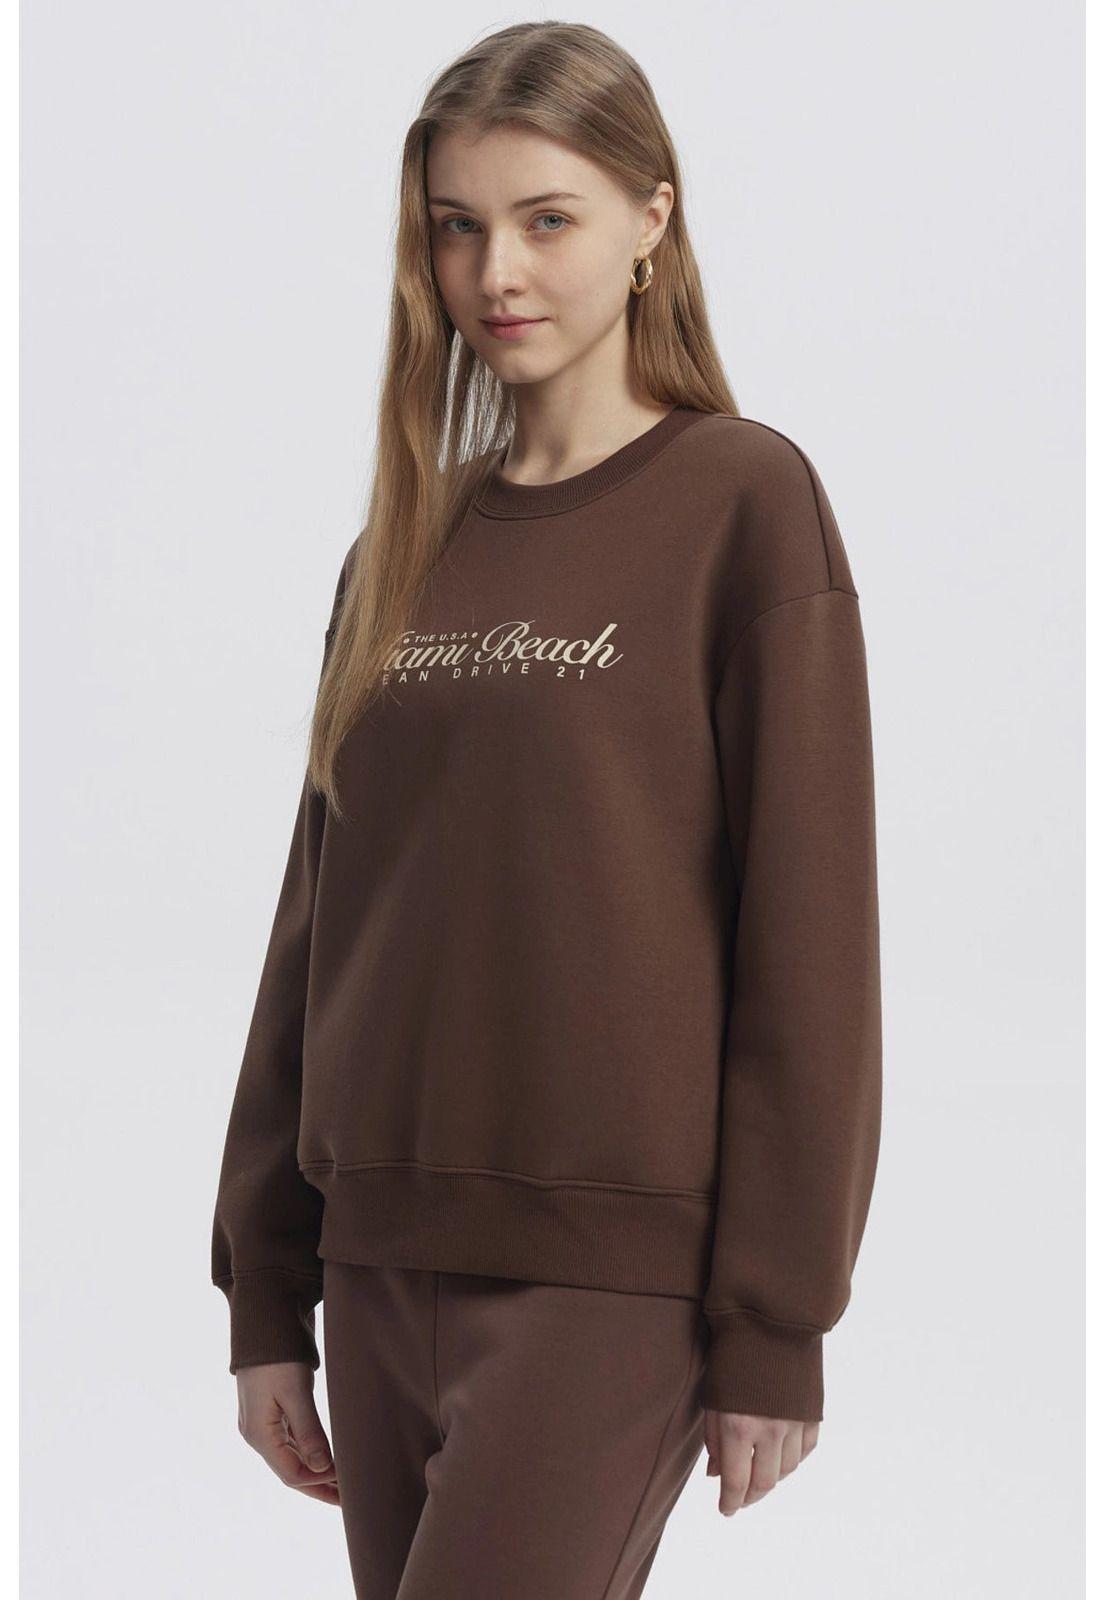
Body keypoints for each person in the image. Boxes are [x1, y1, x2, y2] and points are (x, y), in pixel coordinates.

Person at [210, 19, 882, 1599]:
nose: (496, 272)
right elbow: (318, 927)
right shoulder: (401, 549)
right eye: (459, 226)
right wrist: (266, 1290)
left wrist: (775, 1322)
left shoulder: (743, 504)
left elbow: (809, 940)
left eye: (547, 219)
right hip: (378, 1263)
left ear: (652, 219)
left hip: (606, 1281)